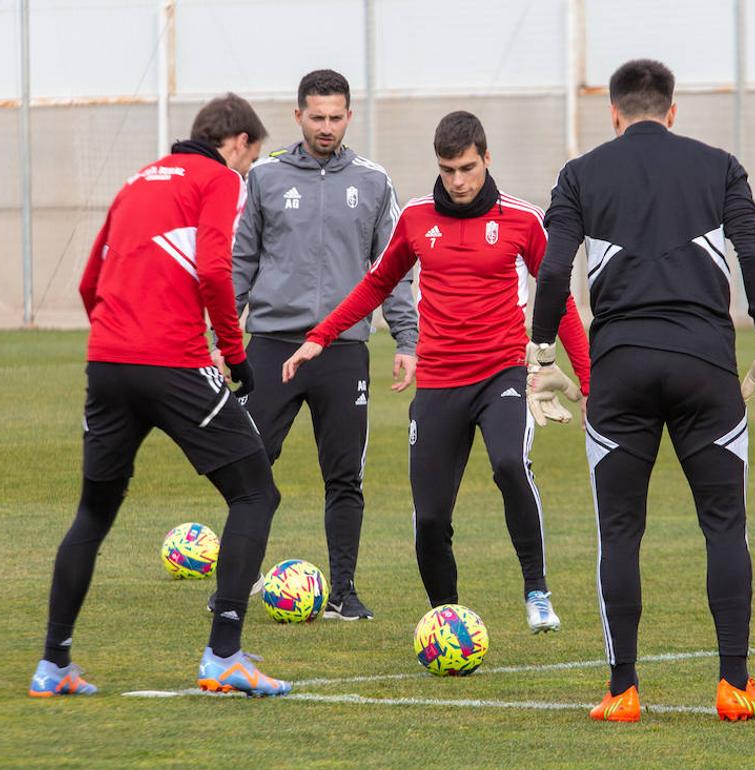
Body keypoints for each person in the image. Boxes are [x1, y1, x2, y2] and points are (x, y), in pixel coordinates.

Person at [527, 59, 755, 723]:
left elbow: (554, 267)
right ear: (672, 111)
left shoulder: (581, 173)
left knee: (618, 532)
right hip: (705, 366)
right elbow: (754, 254)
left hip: (619, 370)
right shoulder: (719, 165)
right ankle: (735, 685)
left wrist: (541, 358)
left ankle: (622, 692)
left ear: (613, 114)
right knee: (725, 525)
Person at [281, 111, 590, 633]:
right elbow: (376, 284)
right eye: (448, 170)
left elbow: (559, 303)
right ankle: (448, 617)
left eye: (468, 167)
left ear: (486, 159)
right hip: (440, 382)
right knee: (428, 519)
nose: (459, 181)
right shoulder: (417, 218)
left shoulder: (522, 220)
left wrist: (591, 380)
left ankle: (537, 590)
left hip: (503, 375)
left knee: (510, 464)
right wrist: (320, 336)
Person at [29, 94, 290, 698]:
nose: (246, 172)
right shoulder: (220, 178)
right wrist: (234, 352)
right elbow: (216, 270)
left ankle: (52, 665)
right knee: (255, 491)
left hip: (107, 362)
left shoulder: (136, 181)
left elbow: (89, 282)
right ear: (240, 144)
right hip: (172, 362)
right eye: (249, 160)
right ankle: (224, 654)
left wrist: (119, 339)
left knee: (93, 511)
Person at [222, 69, 418, 621]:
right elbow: (240, 263)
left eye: (336, 117)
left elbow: (394, 269)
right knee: (249, 465)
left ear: (349, 117)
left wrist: (407, 337)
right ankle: (235, 586)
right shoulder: (262, 178)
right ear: (298, 116)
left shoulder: (375, 182)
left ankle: (344, 592)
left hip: (344, 349)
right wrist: (221, 335)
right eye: (317, 117)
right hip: (271, 348)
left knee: (344, 475)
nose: (326, 127)